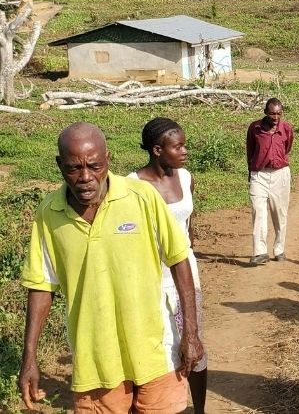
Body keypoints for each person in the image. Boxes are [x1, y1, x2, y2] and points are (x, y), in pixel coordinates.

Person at [19, 122, 202, 414]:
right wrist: (29, 358)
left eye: (94, 166)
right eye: (73, 168)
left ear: (108, 159)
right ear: (58, 165)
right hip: (96, 361)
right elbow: (41, 283)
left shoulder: (141, 197)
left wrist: (190, 334)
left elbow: (179, 259)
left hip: (156, 352)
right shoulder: (49, 213)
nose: (85, 178)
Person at [128, 118, 208, 414]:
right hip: (149, 277)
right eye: (179, 146)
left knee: (193, 342)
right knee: (158, 347)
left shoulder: (185, 177)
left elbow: (188, 220)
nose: (185, 150)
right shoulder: (132, 185)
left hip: (186, 273)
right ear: (157, 149)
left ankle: (198, 409)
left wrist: (190, 241)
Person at [246, 98, 294, 264]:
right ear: (266, 112)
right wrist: (251, 173)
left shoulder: (286, 128)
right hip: (259, 175)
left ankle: (279, 249)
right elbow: (250, 151)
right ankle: (260, 252)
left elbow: (287, 147)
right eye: (272, 113)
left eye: (278, 113)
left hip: (280, 174)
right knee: (258, 211)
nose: (275, 117)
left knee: (280, 214)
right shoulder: (255, 128)